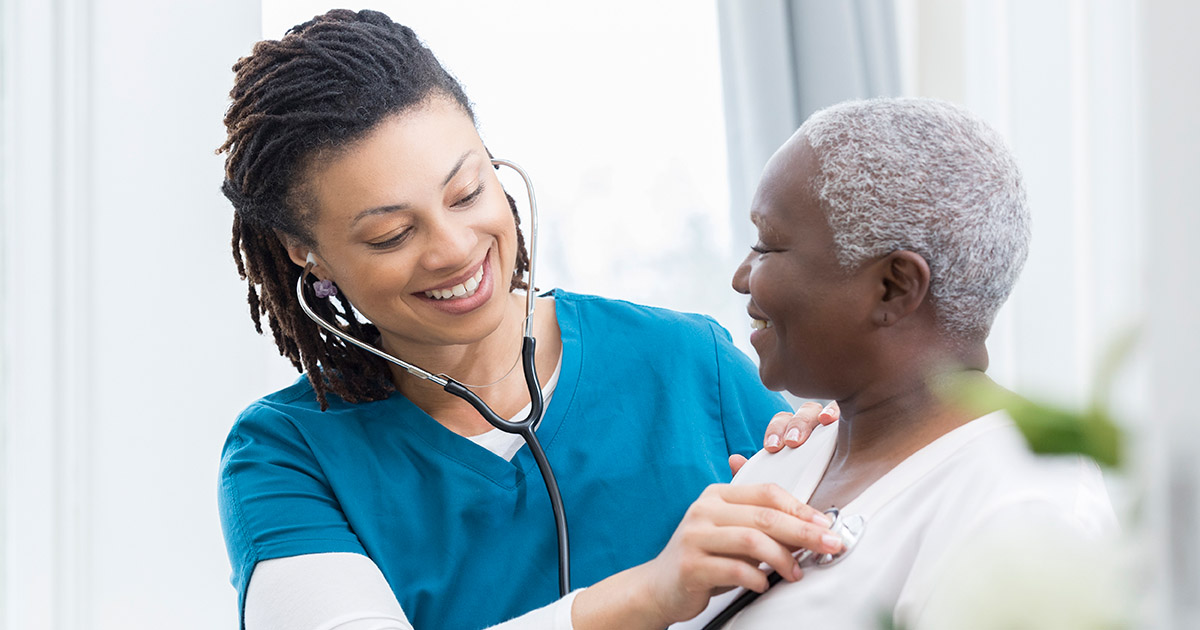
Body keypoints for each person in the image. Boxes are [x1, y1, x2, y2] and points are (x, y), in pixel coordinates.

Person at [216, 9, 838, 630]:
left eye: (467, 193)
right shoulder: (287, 456)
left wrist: (844, 451)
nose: (455, 248)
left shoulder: (687, 363)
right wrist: (651, 594)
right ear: (307, 252)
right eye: (391, 234)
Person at [673, 97, 1118, 629]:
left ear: (893, 286)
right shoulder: (786, 462)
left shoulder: (1031, 508)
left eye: (767, 246)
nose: (742, 277)